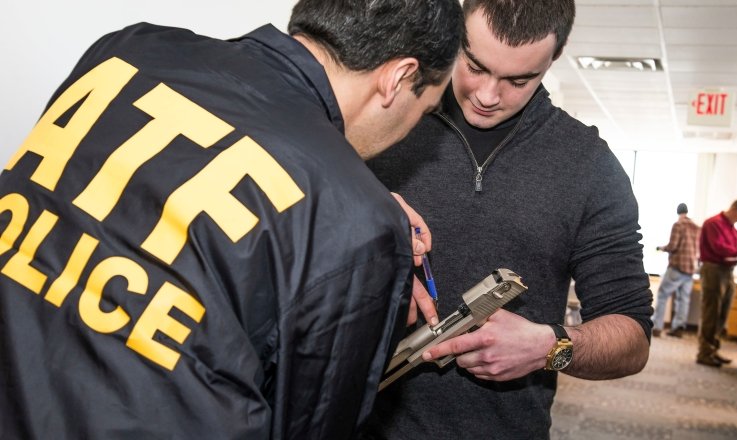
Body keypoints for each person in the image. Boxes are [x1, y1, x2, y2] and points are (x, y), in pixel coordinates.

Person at [0, 1, 464, 438]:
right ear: (400, 77)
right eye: (424, 112)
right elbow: (312, 424)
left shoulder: (124, 51)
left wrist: (341, 202)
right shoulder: (359, 224)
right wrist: (356, 226)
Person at [363, 1, 652, 439]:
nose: (487, 95)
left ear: (557, 54)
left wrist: (550, 346)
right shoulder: (378, 113)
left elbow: (631, 337)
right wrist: (360, 217)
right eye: (475, 65)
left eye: (518, 80)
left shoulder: (588, 166)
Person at [696, 199, 737, 367]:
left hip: (727, 271)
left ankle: (713, 349)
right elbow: (718, 247)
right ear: (733, 209)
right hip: (713, 270)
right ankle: (704, 353)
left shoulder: (733, 230)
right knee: (711, 312)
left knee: (723, 314)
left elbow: (732, 251)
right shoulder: (713, 223)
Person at [651, 203, 701, 338]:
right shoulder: (697, 228)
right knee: (683, 299)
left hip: (677, 266)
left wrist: (661, 248)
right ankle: (678, 328)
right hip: (690, 269)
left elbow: (673, 246)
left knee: (662, 295)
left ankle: (657, 327)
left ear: (678, 212)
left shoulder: (678, 225)